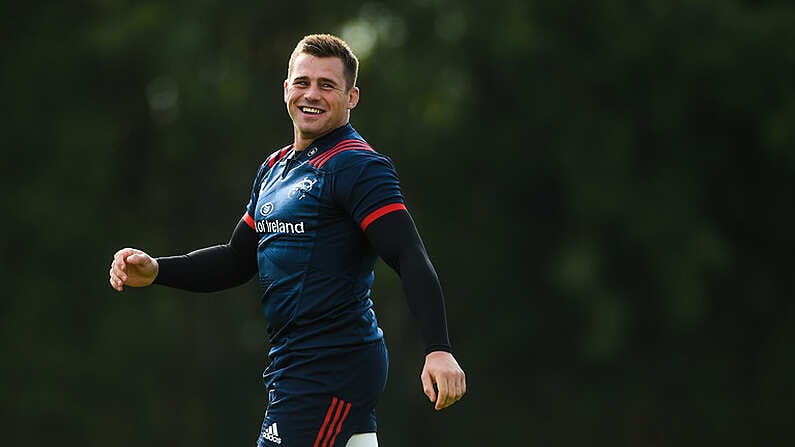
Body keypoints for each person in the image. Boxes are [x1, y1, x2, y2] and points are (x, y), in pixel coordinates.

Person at [108, 33, 465, 447]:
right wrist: (157, 270)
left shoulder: (357, 166)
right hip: (297, 367)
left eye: (327, 85)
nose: (311, 94)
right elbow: (236, 260)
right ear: (286, 89)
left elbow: (408, 254)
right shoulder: (275, 167)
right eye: (303, 82)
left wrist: (438, 348)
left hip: (329, 367)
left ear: (352, 97)